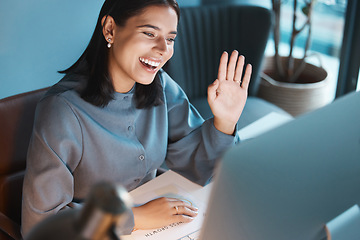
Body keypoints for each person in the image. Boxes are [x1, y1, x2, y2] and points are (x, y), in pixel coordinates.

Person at [21, 0, 252, 237]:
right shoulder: (62, 111)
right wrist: (136, 217)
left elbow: (201, 166)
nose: (163, 49)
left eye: (170, 38)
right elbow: (39, 226)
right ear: (110, 29)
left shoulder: (160, 85)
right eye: (150, 33)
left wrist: (225, 121)